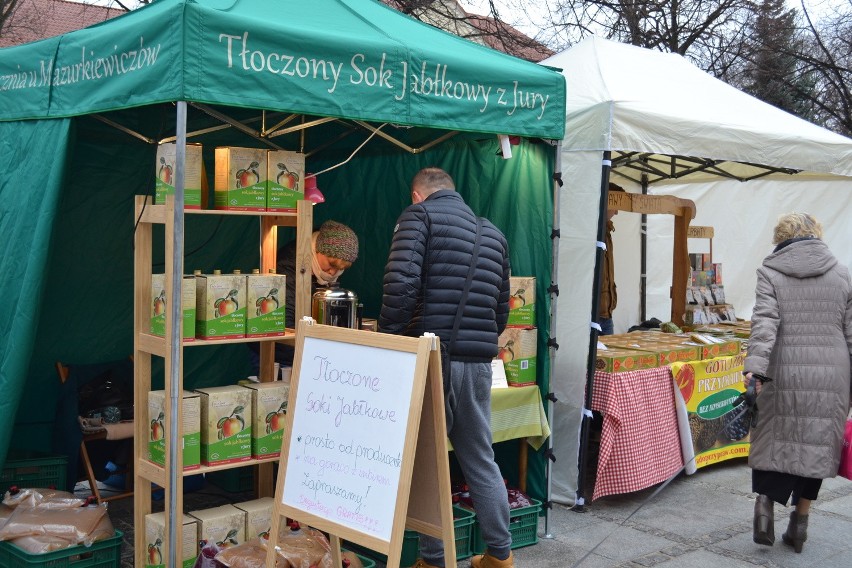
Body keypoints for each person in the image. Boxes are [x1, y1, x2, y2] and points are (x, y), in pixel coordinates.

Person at [379, 167, 513, 568]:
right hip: (477, 363)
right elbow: (501, 310)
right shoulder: (493, 233)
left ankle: (433, 559)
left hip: (433, 358)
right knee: (479, 457)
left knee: (428, 461)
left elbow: (401, 283)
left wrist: (389, 333)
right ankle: (500, 556)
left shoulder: (416, 217)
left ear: (416, 194)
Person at [745, 212, 852, 553]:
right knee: (817, 445)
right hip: (832, 373)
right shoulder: (843, 274)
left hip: (784, 369)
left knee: (773, 437)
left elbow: (764, 324)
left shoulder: (770, 272)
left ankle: (764, 509)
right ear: (817, 235)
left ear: (780, 237)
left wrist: (755, 370)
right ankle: (799, 527)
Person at [248, 220, 359, 375]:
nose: (333, 273)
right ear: (319, 250)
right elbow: (283, 325)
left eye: (340, 269)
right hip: (276, 355)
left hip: (306, 352)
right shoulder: (289, 268)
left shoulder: (322, 272)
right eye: (331, 264)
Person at [598, 183, 624, 335]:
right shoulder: (593, 229)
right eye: (616, 206)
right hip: (593, 315)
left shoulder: (607, 230)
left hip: (606, 314)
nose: (617, 212)